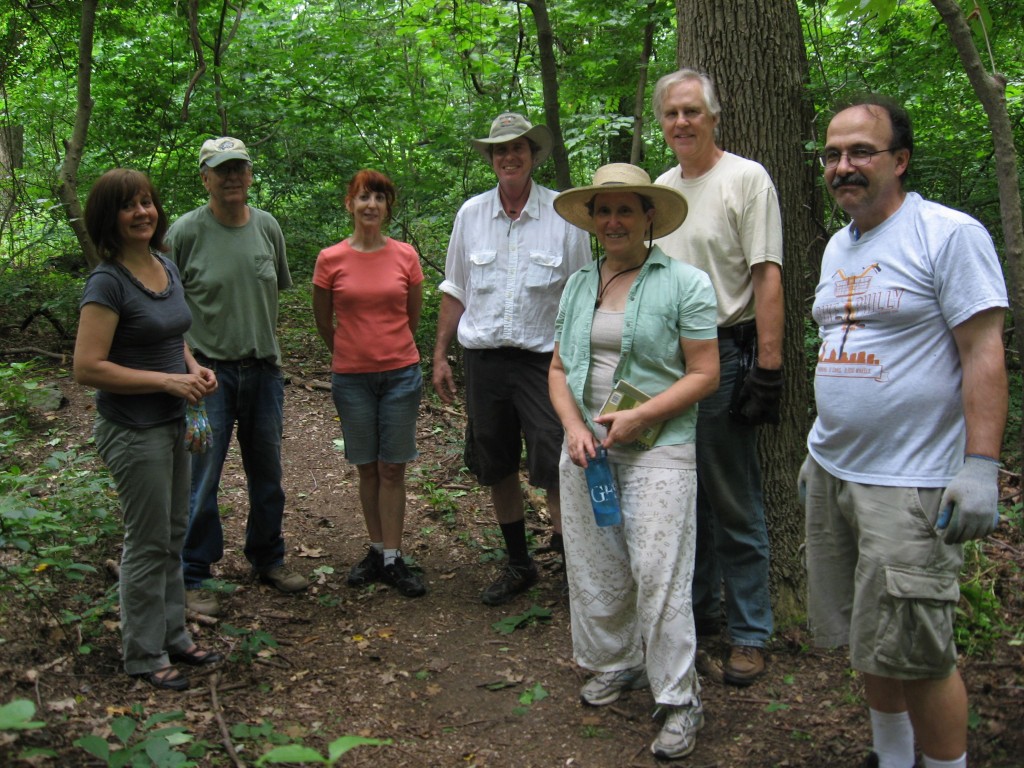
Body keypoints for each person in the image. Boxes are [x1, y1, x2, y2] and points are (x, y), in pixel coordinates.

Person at [801, 96, 1008, 768]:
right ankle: (892, 759)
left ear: (901, 160)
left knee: (920, 653)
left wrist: (979, 467)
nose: (843, 166)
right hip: (834, 470)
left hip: (910, 483)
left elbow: (983, 350)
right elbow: (847, 345)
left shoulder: (947, 234)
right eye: (833, 154)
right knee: (871, 639)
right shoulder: (840, 245)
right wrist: (821, 444)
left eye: (861, 151)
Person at [548, 163, 719, 760]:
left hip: (658, 447)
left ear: (649, 216)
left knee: (659, 570)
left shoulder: (685, 283)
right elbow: (558, 370)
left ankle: (678, 697)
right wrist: (573, 426)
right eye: (603, 211)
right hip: (588, 450)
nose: (614, 221)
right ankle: (614, 662)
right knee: (596, 562)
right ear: (592, 221)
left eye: (626, 209)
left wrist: (642, 417)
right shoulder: (577, 285)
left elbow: (705, 372)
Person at [651, 68, 784, 685]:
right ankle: (700, 619)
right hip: (663, 365)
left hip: (728, 358)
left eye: (693, 111)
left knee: (732, 498)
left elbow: (766, 276)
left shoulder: (745, 178)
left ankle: (752, 631)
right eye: (673, 113)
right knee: (681, 497)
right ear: (661, 121)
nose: (683, 122)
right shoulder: (660, 189)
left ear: (714, 115)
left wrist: (768, 368)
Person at [432, 112, 591, 605]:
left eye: (518, 148)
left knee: (557, 463)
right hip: (484, 361)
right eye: (500, 150)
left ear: (533, 155)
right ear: (491, 159)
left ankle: (571, 571)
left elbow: (583, 292)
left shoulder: (563, 215)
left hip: (545, 363)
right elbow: (455, 288)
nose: (509, 157)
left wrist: (580, 363)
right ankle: (519, 563)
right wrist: (439, 353)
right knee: (496, 462)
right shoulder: (471, 215)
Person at [73, 169, 222, 690]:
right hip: (132, 429)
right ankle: (143, 652)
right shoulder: (107, 282)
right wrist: (165, 381)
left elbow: (172, 336)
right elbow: (87, 367)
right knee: (147, 539)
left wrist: (193, 367)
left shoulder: (164, 265)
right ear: (108, 218)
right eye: (128, 206)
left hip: (172, 420)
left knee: (175, 531)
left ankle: (174, 633)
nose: (143, 212)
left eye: (147, 202)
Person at [167, 136, 307, 617]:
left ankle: (268, 559)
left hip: (264, 370)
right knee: (202, 478)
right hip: (207, 375)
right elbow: (163, 308)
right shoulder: (184, 233)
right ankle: (193, 574)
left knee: (267, 473)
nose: (231, 177)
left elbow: (273, 296)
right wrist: (188, 367)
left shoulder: (267, 227)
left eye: (238, 169)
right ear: (204, 177)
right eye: (221, 170)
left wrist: (270, 351)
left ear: (249, 174)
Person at [312, 169, 426, 598]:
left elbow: (411, 317)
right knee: (367, 466)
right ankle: (376, 550)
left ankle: (394, 559)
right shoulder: (331, 259)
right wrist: (349, 351)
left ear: (387, 208)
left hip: (400, 373)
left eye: (379, 198)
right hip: (351, 378)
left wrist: (388, 347)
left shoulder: (406, 256)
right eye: (363, 197)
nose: (371, 205)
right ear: (350, 204)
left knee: (393, 466)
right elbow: (324, 320)